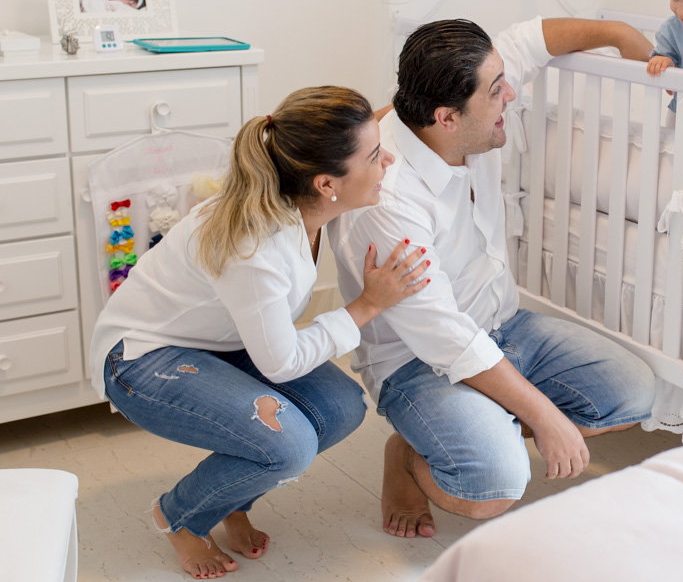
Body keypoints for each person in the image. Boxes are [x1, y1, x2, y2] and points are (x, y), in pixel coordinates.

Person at [329, 17, 666, 539]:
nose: (511, 94)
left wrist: (618, 33)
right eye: (496, 91)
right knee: (490, 490)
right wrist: (545, 417)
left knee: (634, 396)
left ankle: (485, 416)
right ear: (446, 117)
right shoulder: (389, 199)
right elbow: (442, 335)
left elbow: (532, 39)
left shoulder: (464, 103)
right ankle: (408, 456)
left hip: (504, 325)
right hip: (420, 361)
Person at [90, 86, 429, 579]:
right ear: (325, 182)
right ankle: (180, 516)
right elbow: (282, 363)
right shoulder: (256, 247)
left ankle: (231, 499)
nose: (389, 160)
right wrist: (368, 305)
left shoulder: (306, 204)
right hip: (143, 358)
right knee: (288, 445)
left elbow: (278, 349)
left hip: (225, 345)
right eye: (375, 155)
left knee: (340, 408)